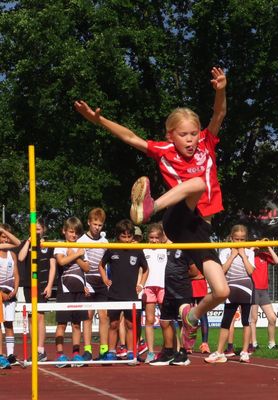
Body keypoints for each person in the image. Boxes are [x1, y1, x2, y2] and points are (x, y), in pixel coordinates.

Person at [75, 66, 230, 350]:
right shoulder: (164, 150)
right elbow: (130, 137)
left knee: (221, 291)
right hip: (175, 218)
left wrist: (220, 90)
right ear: (171, 135)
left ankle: (191, 318)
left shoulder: (207, 143)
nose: (191, 140)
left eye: (194, 134)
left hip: (199, 229)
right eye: (184, 135)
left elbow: (218, 115)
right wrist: (100, 121)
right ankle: (150, 208)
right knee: (196, 184)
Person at [99, 219, 148, 361]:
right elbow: (101, 265)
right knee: (113, 324)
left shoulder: (137, 251)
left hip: (131, 294)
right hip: (114, 293)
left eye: (129, 237)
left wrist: (141, 285)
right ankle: (111, 352)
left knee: (130, 324)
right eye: (123, 237)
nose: (126, 240)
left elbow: (146, 269)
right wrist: (104, 279)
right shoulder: (112, 249)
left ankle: (132, 351)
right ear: (117, 236)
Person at [205, 225, 255, 364]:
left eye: (242, 239)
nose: (239, 242)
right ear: (231, 238)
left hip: (246, 289)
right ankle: (220, 352)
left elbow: (251, 271)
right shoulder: (225, 251)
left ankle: (245, 352)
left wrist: (244, 256)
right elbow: (222, 270)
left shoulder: (250, 252)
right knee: (226, 321)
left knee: (246, 321)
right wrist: (232, 256)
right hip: (230, 289)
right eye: (236, 239)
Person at [150, 237, 197, 366]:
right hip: (168, 291)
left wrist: (181, 276)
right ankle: (168, 352)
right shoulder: (166, 248)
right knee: (164, 322)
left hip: (182, 291)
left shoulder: (186, 248)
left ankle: (183, 353)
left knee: (184, 323)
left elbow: (194, 270)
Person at [17, 219, 56, 362]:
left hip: (42, 284)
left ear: (43, 230)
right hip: (28, 284)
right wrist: (28, 241)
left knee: (40, 316)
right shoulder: (27, 243)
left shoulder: (47, 245)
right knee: (31, 317)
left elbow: (53, 267)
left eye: (38, 229)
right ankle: (35, 350)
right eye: (34, 229)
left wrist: (50, 285)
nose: (36, 232)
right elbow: (21, 258)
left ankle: (41, 349)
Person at [53, 217, 90, 368]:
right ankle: (60, 355)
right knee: (62, 323)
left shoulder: (81, 248)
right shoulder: (59, 246)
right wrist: (76, 255)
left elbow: (86, 268)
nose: (73, 235)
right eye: (71, 232)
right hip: (65, 290)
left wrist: (74, 255)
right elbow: (61, 261)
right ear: (64, 231)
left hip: (79, 290)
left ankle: (76, 353)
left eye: (76, 233)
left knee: (77, 324)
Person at [77, 208, 109, 361]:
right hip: (87, 280)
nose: (97, 227)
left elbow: (106, 263)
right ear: (89, 222)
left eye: (100, 225)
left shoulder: (105, 242)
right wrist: (83, 283)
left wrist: (107, 280)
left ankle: (104, 349)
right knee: (88, 316)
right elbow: (80, 264)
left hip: (101, 281)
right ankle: (88, 349)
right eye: (95, 224)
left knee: (104, 316)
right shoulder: (81, 240)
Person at [142, 223, 168, 363]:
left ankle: (167, 348)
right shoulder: (144, 249)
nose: (153, 240)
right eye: (151, 237)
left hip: (163, 287)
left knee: (166, 320)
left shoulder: (165, 248)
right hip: (148, 287)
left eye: (156, 238)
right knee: (149, 320)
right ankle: (151, 351)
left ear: (161, 238)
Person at [250, 238, 278, 351]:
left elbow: (277, 261)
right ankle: (253, 343)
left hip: (264, 291)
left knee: (272, 318)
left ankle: (271, 343)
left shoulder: (264, 255)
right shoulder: (249, 254)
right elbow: (247, 256)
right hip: (253, 290)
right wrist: (254, 245)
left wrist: (268, 246)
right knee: (253, 318)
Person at [0, 224, 21, 367]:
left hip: (10, 292)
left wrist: (15, 289)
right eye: (2, 236)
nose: (5, 239)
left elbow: (16, 275)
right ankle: (0, 355)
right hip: (0, 293)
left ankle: (10, 354)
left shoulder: (12, 254)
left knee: (9, 324)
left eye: (7, 236)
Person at [190, 266, 210, 354]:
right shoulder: (202, 256)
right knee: (200, 316)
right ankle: (204, 344)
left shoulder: (189, 256)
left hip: (193, 285)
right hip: (196, 285)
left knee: (192, 317)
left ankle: (190, 345)